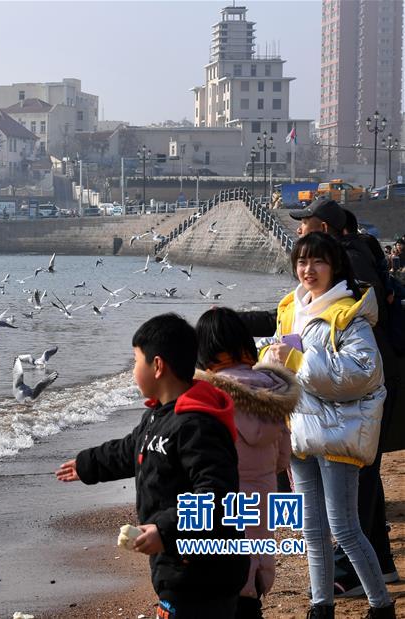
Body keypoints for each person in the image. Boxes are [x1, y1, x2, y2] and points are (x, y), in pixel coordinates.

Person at [239, 198, 403, 597]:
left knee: (345, 520)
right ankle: (326, 599)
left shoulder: (351, 293)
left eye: (306, 225)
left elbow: (356, 363)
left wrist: (295, 359)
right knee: (315, 527)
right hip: (305, 423)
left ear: (327, 235)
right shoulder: (296, 303)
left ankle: (372, 591)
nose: (307, 266)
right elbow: (286, 341)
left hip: (343, 417)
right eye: (301, 262)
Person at [56, 313, 248, 618]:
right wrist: (86, 464)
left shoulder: (197, 425)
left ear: (157, 366)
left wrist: (165, 529)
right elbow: (129, 450)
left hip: (202, 569)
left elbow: (217, 495)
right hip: (176, 564)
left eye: (135, 361)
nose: (133, 371)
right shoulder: (158, 417)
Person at [195, 307, 300, 619]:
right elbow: (283, 458)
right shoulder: (274, 394)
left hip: (221, 505)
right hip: (262, 497)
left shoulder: (207, 397)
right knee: (253, 569)